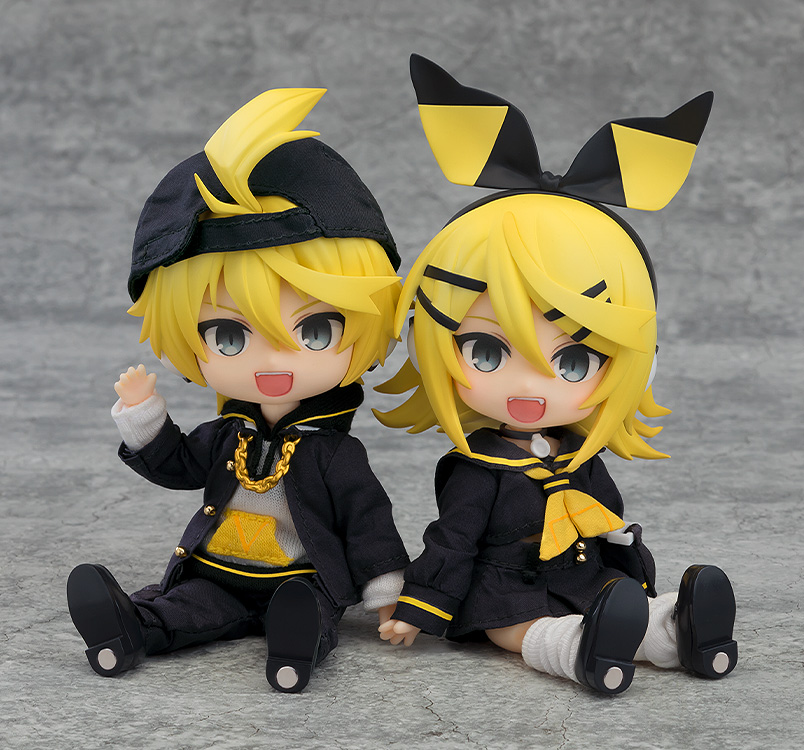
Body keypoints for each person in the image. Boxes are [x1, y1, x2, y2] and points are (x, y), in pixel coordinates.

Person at [376, 55, 737, 695]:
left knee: (621, 602)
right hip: (505, 589)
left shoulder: (576, 451)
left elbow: (604, 510)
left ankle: (681, 633)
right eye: (486, 352)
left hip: (579, 572)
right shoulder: (477, 467)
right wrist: (417, 606)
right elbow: (453, 541)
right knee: (518, 628)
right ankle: (580, 652)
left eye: (573, 362)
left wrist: (623, 551)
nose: (529, 385)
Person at [66, 87, 409, 693]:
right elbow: (179, 465)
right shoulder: (227, 435)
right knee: (185, 608)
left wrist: (387, 595)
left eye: (315, 331)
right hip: (218, 570)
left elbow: (368, 522)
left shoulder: (335, 454)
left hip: (300, 575)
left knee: (304, 610)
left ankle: (294, 650)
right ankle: (126, 633)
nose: (273, 361)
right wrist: (144, 416)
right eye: (228, 336)